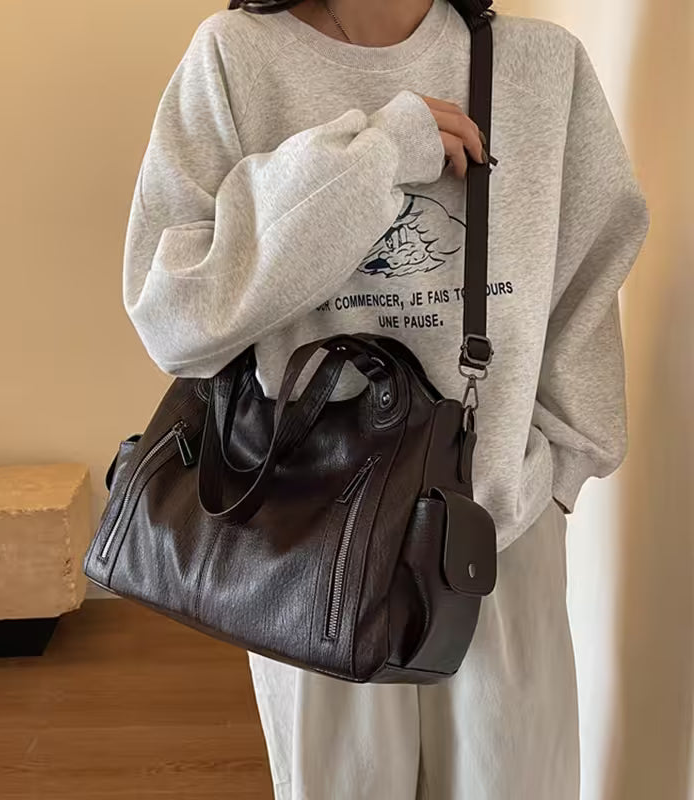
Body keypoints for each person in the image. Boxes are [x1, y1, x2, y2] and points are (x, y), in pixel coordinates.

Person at [120, 0, 650, 796]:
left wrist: (560, 470)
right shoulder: (236, 58)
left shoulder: (541, 65)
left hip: (498, 532)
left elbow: (588, 282)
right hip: (304, 540)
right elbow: (174, 314)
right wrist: (374, 155)